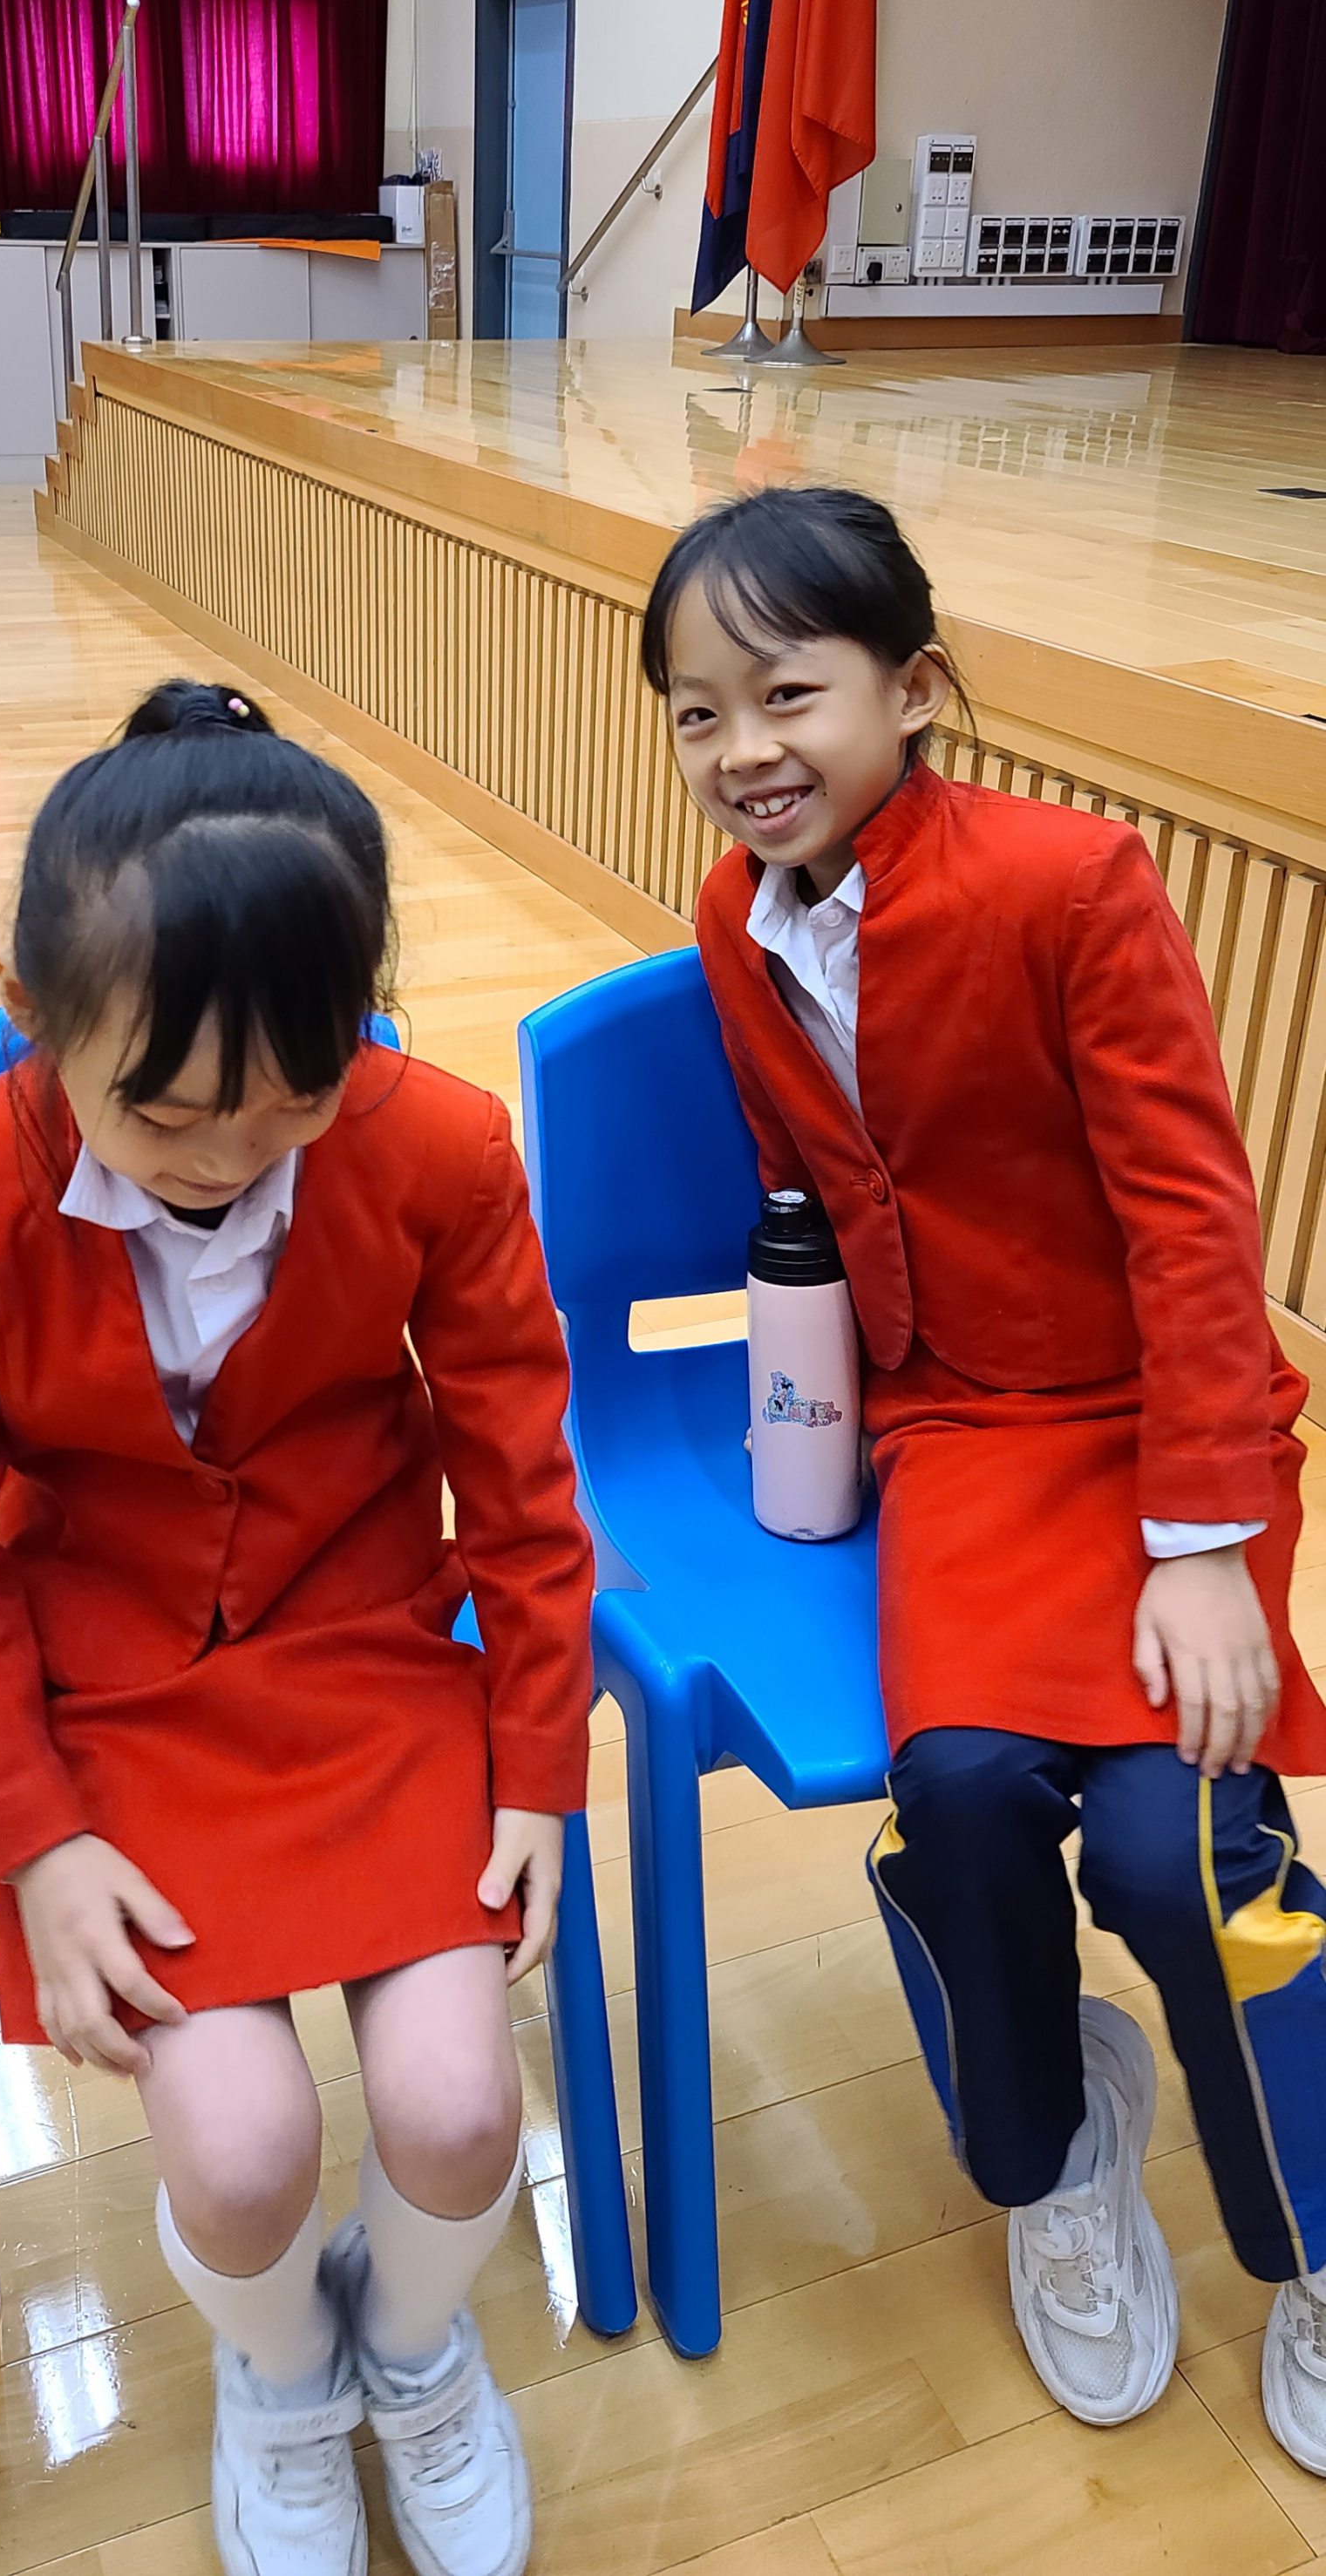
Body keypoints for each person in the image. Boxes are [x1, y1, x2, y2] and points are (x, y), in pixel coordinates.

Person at [0, 679, 595, 2576]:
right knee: (246, 2146)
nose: (230, 1152)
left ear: (361, 1017)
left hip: (367, 1655)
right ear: (30, 1015)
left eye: (298, 1095)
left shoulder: (441, 1148)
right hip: (104, 1696)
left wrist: (538, 1765)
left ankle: (411, 2344)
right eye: (166, 1110)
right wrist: (34, 1841)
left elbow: (524, 1487)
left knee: (459, 2107)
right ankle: (277, 2374)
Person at [643, 484, 1326, 2468]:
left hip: (1151, 1433)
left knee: (1183, 1859)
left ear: (915, 687)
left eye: (788, 692)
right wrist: (811, 1439)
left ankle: (1314, 2232)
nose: (744, 748)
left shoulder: (1074, 881)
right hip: (952, 1441)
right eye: (698, 713)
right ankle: (1055, 2156)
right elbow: (815, 1197)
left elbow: (1195, 1224)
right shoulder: (732, 923)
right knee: (950, 1805)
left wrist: (1201, 1543)